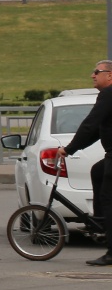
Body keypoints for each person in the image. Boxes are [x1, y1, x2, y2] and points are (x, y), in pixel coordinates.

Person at [64, 59, 112, 266]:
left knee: (109, 199)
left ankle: (111, 251)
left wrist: (68, 149)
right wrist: (72, 148)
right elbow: (94, 130)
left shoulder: (109, 95)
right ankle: (100, 222)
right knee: (98, 171)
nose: (93, 75)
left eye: (97, 71)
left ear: (109, 75)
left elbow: (89, 124)